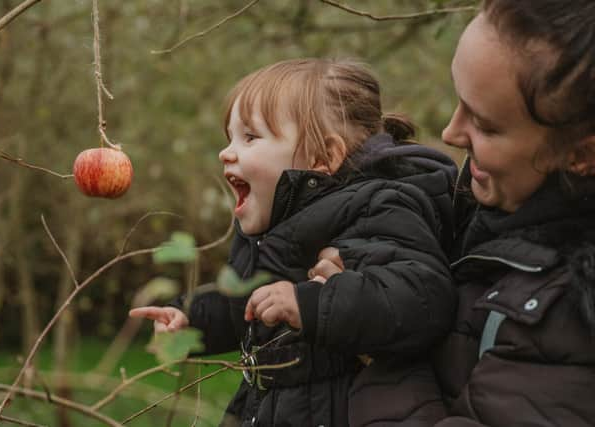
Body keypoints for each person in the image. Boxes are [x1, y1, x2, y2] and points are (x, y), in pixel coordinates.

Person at [130, 58, 458, 427]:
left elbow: (421, 297)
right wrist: (190, 318)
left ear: (323, 158)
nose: (226, 152)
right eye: (230, 138)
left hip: (340, 409)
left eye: (250, 137)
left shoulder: (377, 206)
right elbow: (245, 304)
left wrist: (312, 302)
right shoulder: (272, 230)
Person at [313, 2, 595, 426]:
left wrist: (379, 334)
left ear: (581, 154)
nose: (449, 132)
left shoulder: (569, 320)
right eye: (458, 101)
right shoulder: (481, 204)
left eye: (485, 125)